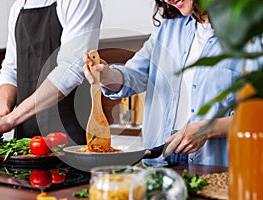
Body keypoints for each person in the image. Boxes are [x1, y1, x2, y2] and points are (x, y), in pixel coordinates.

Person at [83, 0, 262, 166]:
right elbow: (133, 75)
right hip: (159, 161)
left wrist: (208, 129)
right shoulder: (167, 29)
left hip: (216, 165)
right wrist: (106, 75)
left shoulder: (253, 33)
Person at [0, 0, 102, 146]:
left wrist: (11, 119)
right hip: (26, 140)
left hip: (70, 137)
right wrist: (1, 114)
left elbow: (71, 70)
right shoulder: (17, 8)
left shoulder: (79, 2)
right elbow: (10, 69)